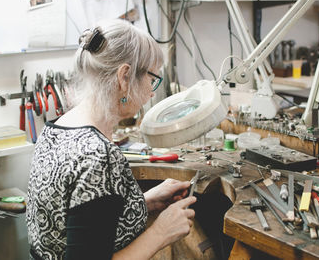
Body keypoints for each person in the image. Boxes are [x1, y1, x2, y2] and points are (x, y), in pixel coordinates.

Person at [26, 19, 196, 260]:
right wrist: (161, 232)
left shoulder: (56, 128)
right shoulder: (98, 155)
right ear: (124, 76)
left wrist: (142, 203)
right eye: (152, 78)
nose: (152, 91)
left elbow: (77, 220)